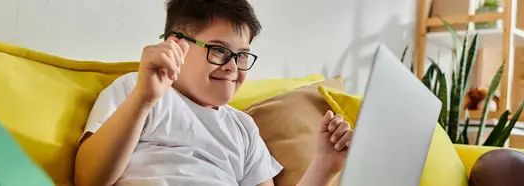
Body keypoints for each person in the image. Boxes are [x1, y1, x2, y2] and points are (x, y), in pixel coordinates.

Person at [74, 0, 354, 185]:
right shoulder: (136, 89)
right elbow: (88, 179)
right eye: (219, 50)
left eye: (242, 55)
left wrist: (324, 166)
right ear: (177, 46)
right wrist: (143, 100)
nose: (233, 66)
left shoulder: (243, 129)